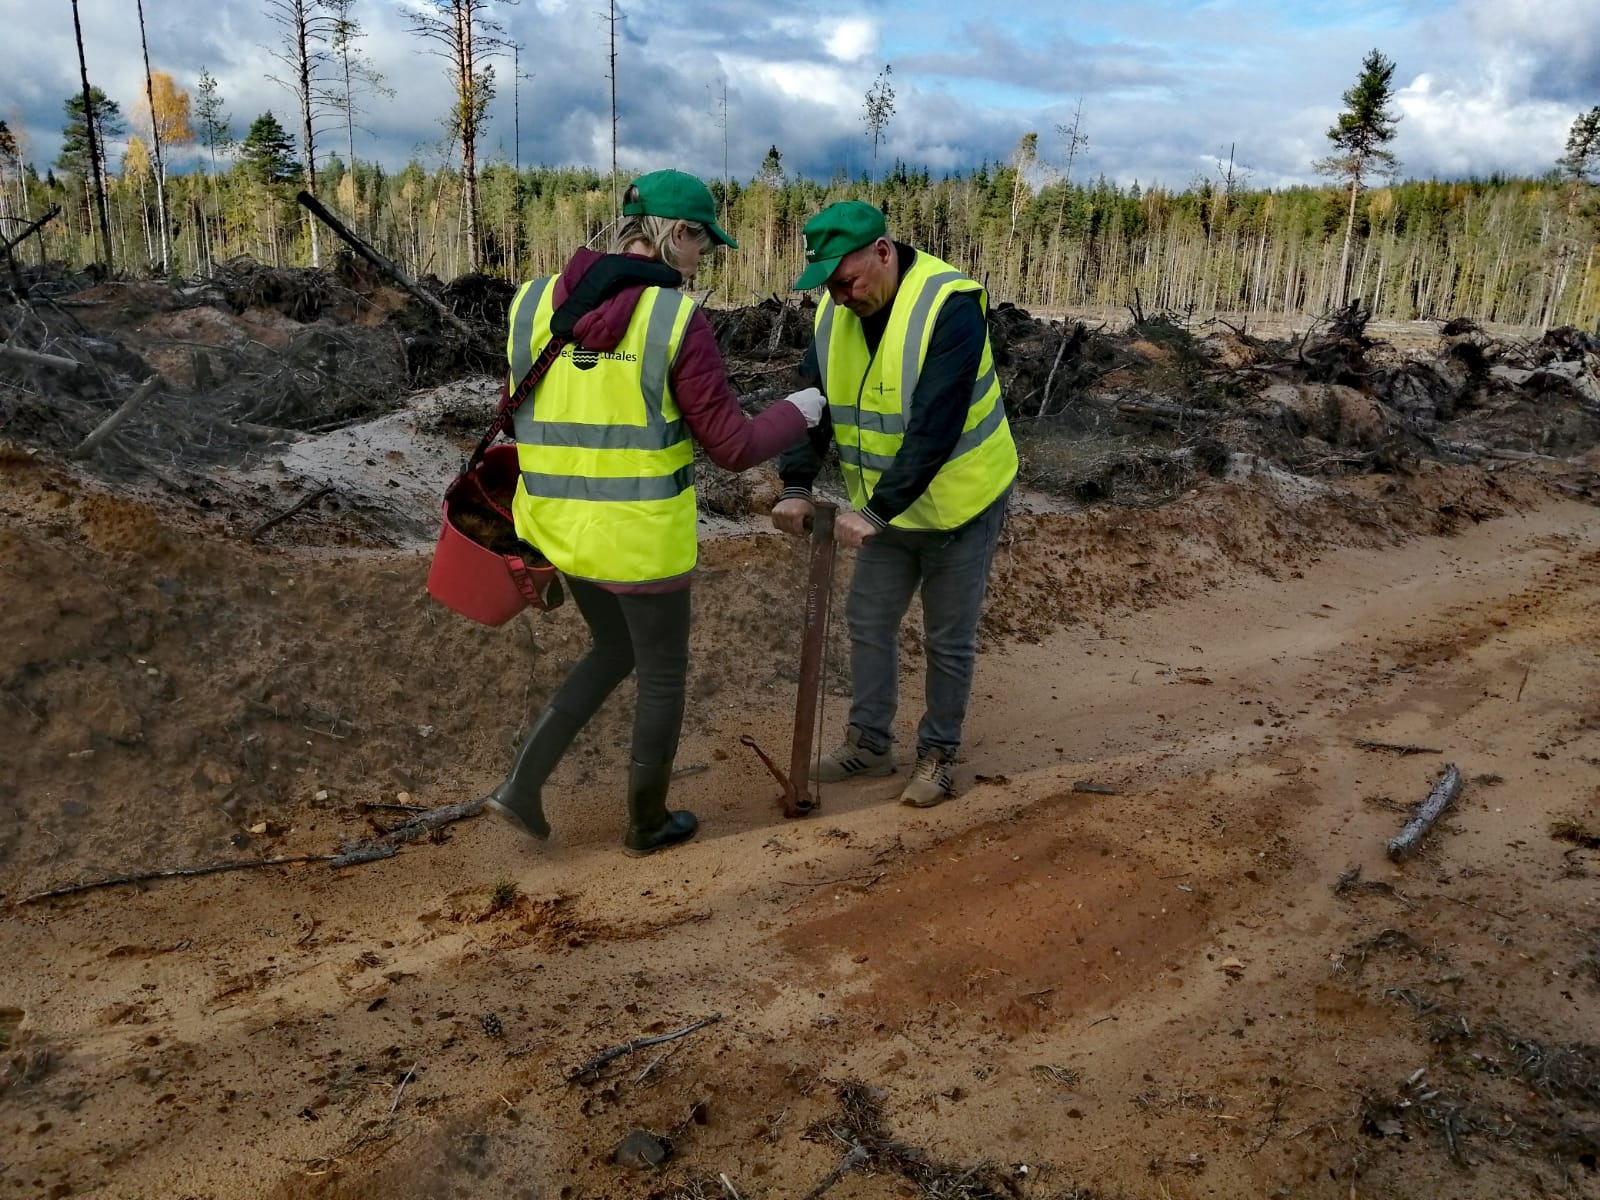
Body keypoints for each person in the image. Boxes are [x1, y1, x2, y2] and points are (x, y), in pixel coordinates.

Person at [486, 169, 826, 855]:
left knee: (612, 649)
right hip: (640, 542)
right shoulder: (674, 319)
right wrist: (802, 411)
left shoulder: (529, 305)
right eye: (702, 244)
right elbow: (732, 447)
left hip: (557, 528)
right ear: (675, 235)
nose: (704, 260)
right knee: (662, 673)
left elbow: (521, 409)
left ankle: (519, 787)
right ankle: (647, 822)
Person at [772, 200, 1017, 808]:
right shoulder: (836, 313)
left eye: (846, 281)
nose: (839, 296)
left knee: (947, 638)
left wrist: (874, 513)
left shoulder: (950, 306)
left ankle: (937, 754)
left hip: (961, 501)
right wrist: (797, 486)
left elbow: (935, 423)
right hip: (887, 508)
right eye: (827, 285)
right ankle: (870, 743)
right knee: (869, 621)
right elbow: (812, 403)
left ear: (883, 251)